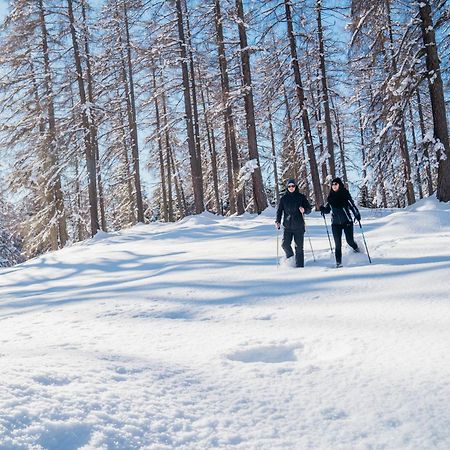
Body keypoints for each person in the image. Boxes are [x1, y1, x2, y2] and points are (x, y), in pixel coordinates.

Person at [320, 177, 361, 268]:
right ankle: (339, 263)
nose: (334, 186)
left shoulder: (345, 195)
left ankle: (356, 249)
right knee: (337, 244)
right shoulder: (330, 197)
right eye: (333, 184)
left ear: (339, 185)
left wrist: (357, 214)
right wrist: (323, 209)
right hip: (335, 224)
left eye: (336, 184)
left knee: (349, 240)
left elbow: (352, 206)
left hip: (347, 222)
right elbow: (327, 209)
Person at [275, 179, 312, 268]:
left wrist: (304, 210)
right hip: (287, 226)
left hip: (299, 226)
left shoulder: (301, 197)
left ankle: (300, 266)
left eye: (293, 186)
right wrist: (278, 221)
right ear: (287, 187)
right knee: (285, 244)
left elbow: (309, 209)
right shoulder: (284, 198)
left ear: (296, 187)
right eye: (289, 186)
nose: (291, 188)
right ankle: (291, 260)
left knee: (299, 248)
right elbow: (279, 211)